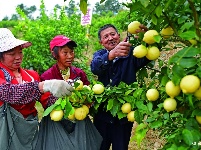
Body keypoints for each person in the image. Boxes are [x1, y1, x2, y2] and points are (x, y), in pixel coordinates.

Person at [0, 28, 74, 150]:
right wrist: (44, 85)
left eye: (20, 52)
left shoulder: (31, 75)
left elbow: (46, 100)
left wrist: (67, 100)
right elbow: (9, 92)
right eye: (12, 54)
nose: (18, 57)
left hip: (29, 131)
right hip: (6, 131)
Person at [35, 35, 102, 150]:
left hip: (78, 118)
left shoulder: (79, 74)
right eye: (65, 53)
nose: (70, 56)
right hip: (56, 121)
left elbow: (88, 94)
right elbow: (46, 102)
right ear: (55, 55)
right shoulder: (47, 76)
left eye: (71, 52)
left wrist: (86, 100)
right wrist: (69, 98)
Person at [90, 24, 150, 150]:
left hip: (123, 115)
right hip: (103, 115)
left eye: (113, 34)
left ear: (119, 36)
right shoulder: (99, 55)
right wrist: (111, 55)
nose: (110, 38)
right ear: (101, 42)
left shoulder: (131, 53)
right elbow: (95, 68)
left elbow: (147, 56)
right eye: (106, 37)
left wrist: (148, 38)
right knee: (100, 147)